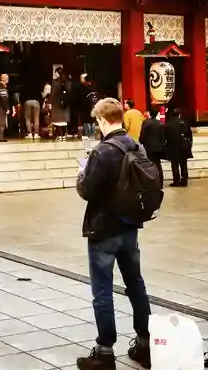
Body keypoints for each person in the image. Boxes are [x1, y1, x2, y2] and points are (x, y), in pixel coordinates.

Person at [76, 98, 151, 370]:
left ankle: (105, 350)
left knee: (103, 291)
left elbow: (88, 191)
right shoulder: (136, 145)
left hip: (104, 228)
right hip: (130, 226)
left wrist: (81, 174)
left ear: (101, 120)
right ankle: (145, 343)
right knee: (136, 285)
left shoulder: (102, 151)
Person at [165, 108, 193, 187]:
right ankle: (184, 181)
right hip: (184, 147)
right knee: (184, 165)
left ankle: (176, 181)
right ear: (179, 114)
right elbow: (190, 136)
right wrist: (189, 146)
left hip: (173, 146)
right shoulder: (185, 123)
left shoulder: (168, 124)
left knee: (175, 165)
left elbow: (165, 136)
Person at [139, 108, 165, 188]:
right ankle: (160, 182)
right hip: (158, 146)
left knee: (150, 165)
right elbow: (163, 135)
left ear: (149, 113)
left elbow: (142, 134)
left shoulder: (146, 122)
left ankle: (152, 182)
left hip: (149, 146)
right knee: (158, 164)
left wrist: (141, 142)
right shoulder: (159, 123)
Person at [50, 67, 71, 140]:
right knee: (64, 120)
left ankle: (58, 135)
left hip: (57, 103)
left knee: (57, 120)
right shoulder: (68, 82)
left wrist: (50, 101)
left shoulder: (55, 82)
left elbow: (52, 93)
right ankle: (64, 134)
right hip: (65, 103)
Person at [0, 73, 9, 142]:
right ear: (2, 79)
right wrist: (7, 108)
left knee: (1, 122)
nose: (7, 80)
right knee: (1, 122)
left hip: (0, 106)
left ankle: (0, 137)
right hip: (1, 107)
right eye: (7, 78)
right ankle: (0, 137)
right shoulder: (1, 86)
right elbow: (4, 98)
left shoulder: (0, 86)